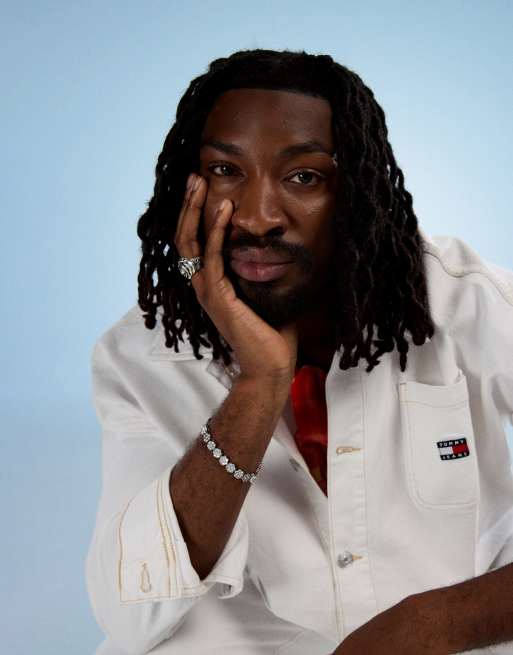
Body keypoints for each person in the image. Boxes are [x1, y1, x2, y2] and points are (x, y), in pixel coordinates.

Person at [86, 49, 513, 655]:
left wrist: (438, 623)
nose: (258, 217)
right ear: (190, 189)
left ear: (355, 193)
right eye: (225, 171)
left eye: (304, 177)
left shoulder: (467, 303)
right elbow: (130, 612)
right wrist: (260, 383)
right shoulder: (140, 356)